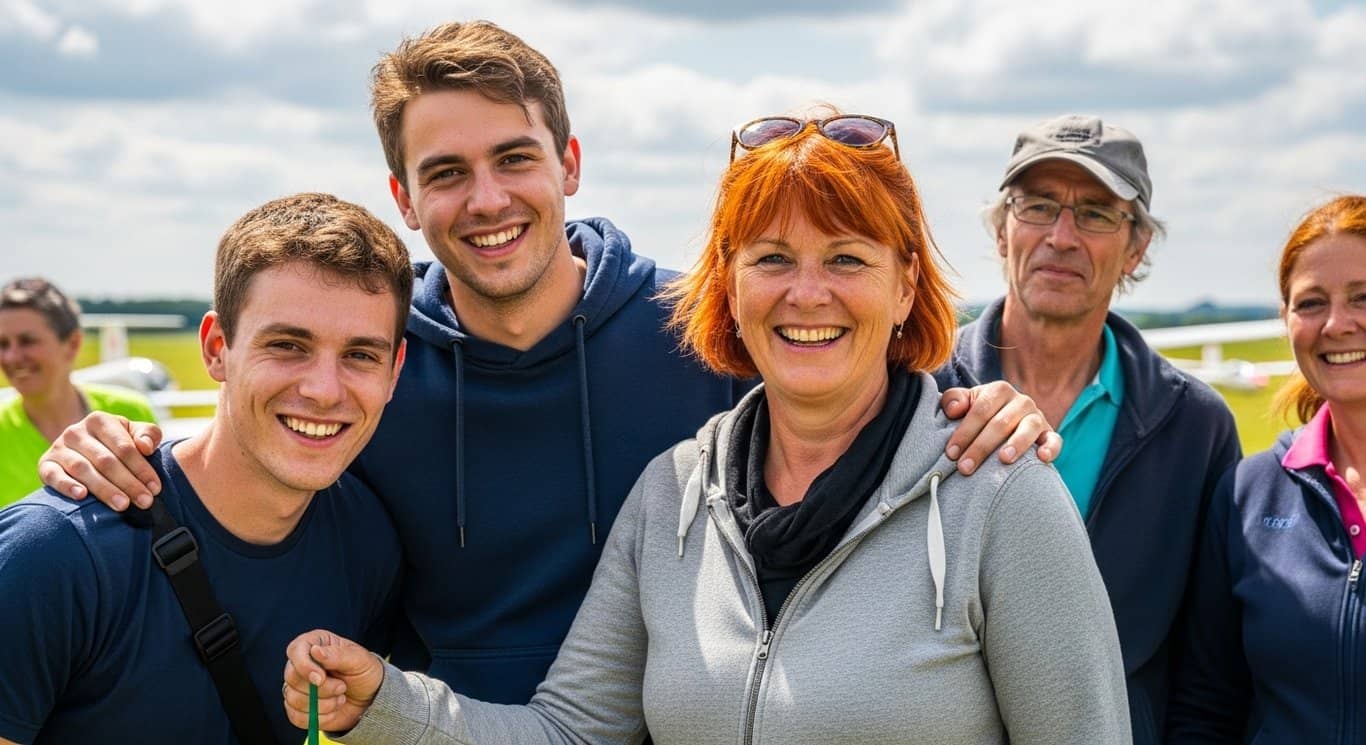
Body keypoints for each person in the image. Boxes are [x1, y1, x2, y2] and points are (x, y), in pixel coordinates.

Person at [38, 21, 1061, 706]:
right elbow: (254, 458)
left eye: (514, 158)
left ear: (568, 164)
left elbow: (864, 379)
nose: (486, 199)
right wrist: (117, 448)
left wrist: (984, 406)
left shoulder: (702, 330)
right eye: (446, 172)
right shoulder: (372, 372)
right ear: (404, 199)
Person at [281, 112, 1130, 745]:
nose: (807, 293)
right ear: (727, 282)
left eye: (847, 258)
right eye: (771, 258)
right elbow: (572, 731)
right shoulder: (673, 495)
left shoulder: (1001, 496)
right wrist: (385, 700)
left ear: (905, 285)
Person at [0, 193, 409, 744]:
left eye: (361, 355)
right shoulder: (55, 554)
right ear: (217, 348)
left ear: (394, 371)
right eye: (287, 345)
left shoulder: (368, 541)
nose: (323, 390)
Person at [935, 114, 1241, 745]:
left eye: (1096, 214)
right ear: (1002, 230)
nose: (1062, 236)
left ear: (1136, 248)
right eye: (1038, 206)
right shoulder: (921, 394)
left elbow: (1208, 675)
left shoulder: (1195, 427)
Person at [1166, 195, 1366, 744]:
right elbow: (1205, 706)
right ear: (1286, 321)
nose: (1337, 324)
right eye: (1312, 304)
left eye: (1363, 297)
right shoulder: (1247, 495)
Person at [0, 278, 156, 507]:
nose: (11, 357)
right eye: (3, 344)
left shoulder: (130, 411)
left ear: (73, 344)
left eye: (27, 341)